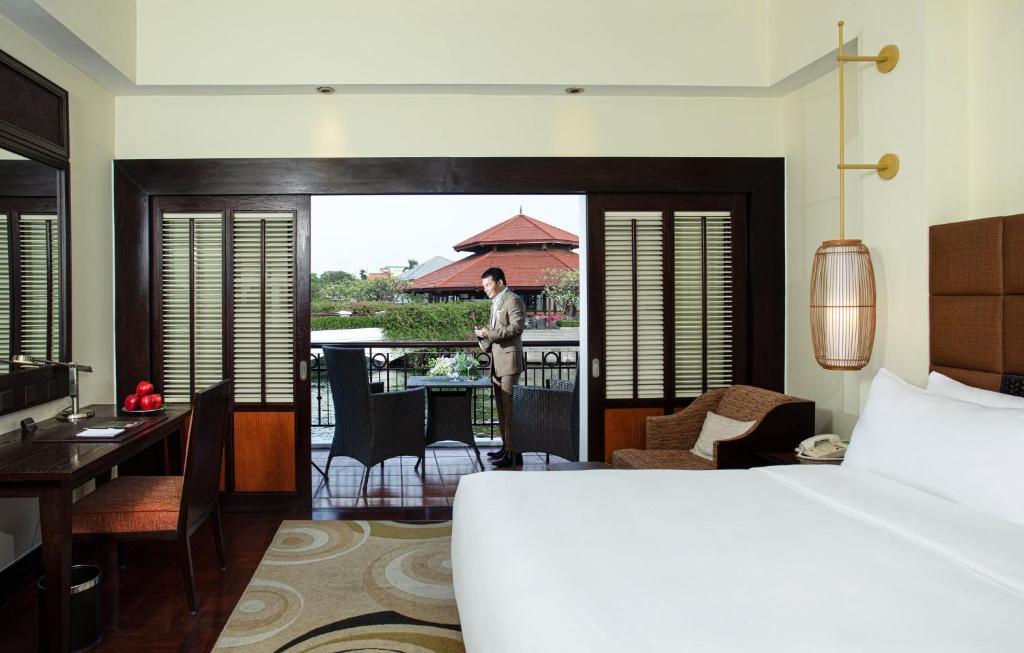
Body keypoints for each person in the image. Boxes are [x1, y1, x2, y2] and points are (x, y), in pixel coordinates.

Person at [474, 267, 526, 468]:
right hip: (497, 362)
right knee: (502, 409)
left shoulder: (513, 300)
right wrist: (485, 343)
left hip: (510, 364)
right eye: (484, 286)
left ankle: (514, 454)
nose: (485, 289)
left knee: (510, 410)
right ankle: (507, 448)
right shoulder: (496, 302)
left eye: (488, 285)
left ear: (500, 283)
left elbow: (517, 328)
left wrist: (489, 334)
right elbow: (497, 332)